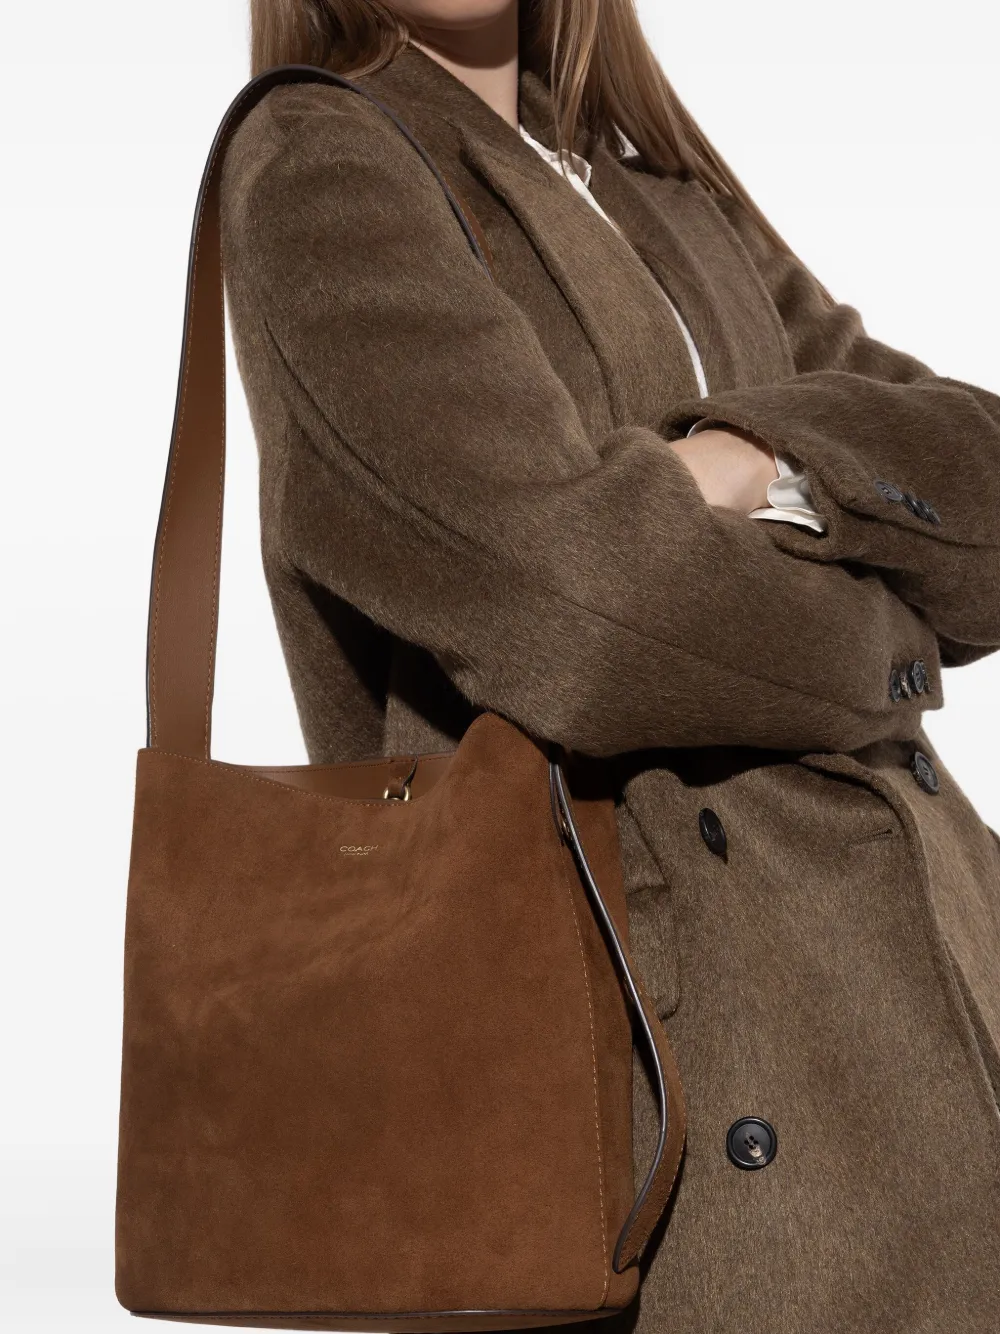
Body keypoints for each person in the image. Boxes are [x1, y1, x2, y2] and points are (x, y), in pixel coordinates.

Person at [220, 1, 1000, 1329]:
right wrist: (889, 633)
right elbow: (581, 616)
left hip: (937, 1013)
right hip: (675, 1096)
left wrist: (765, 464)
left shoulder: (661, 188)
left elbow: (978, 483)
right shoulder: (323, 162)